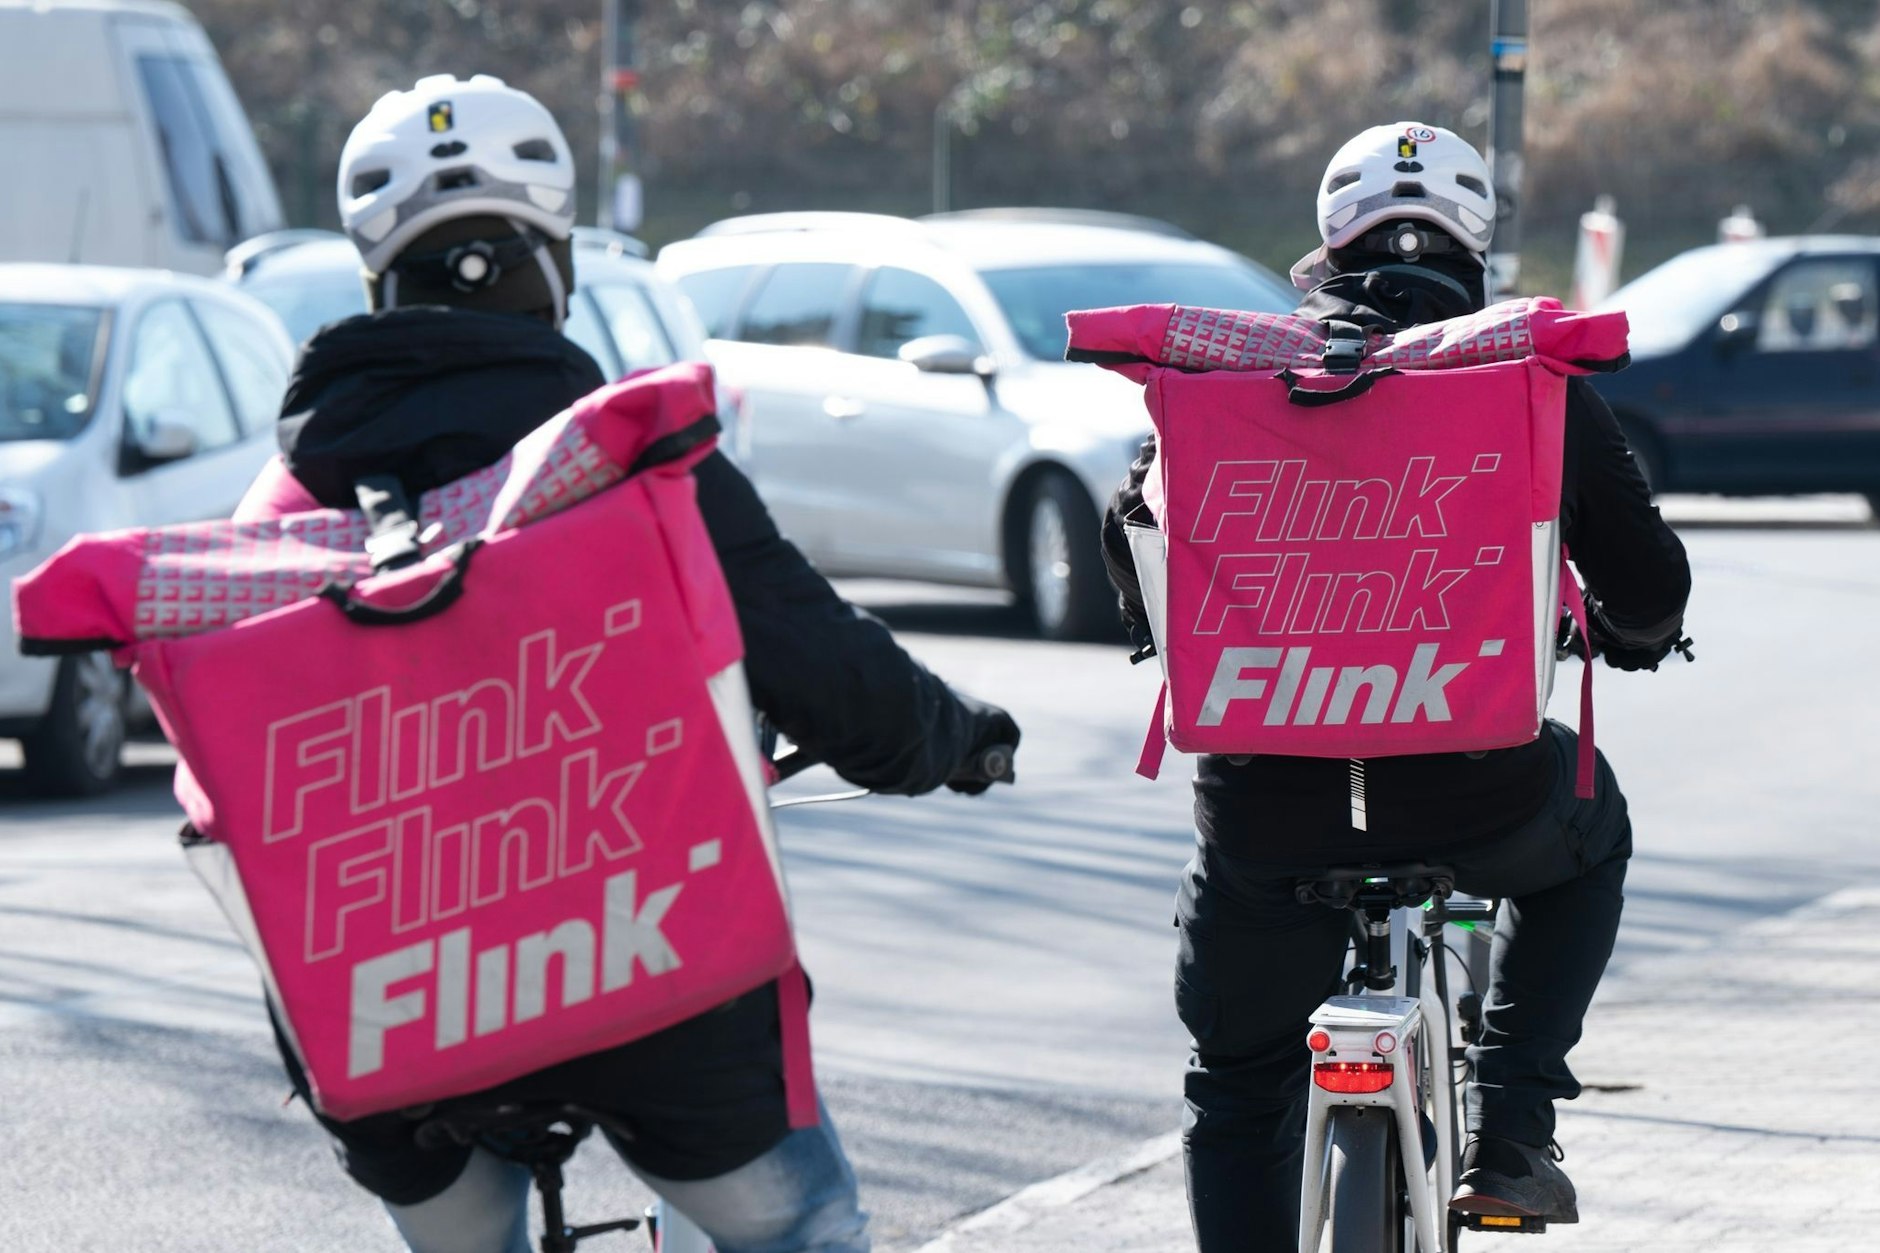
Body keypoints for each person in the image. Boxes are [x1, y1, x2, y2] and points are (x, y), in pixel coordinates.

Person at [236, 75, 1019, 1253]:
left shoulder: (288, 499)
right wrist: (951, 737)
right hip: (650, 972)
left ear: (373, 281)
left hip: (390, 1011)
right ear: (554, 269)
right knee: (798, 1224)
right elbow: (823, 666)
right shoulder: (636, 463)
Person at [1097, 122, 1692, 1248]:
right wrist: (1631, 630)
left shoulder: (1231, 371)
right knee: (1590, 827)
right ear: (1475, 241)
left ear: (1329, 237)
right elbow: (1648, 585)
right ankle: (1510, 1129)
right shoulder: (1522, 377)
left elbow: (1131, 553)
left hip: (1266, 815)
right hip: (1477, 794)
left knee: (1234, 1090)